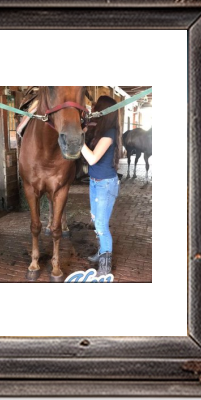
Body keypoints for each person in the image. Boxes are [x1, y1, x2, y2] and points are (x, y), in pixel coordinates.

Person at [80, 95, 121, 276]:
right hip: (95, 182)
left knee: (101, 225)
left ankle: (106, 263)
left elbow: (92, 158)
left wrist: (77, 140)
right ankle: (101, 251)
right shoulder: (100, 131)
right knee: (96, 220)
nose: (94, 110)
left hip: (105, 184)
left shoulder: (109, 133)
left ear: (104, 111)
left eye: (97, 108)